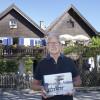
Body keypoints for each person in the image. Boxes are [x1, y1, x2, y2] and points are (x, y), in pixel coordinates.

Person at [33, 35, 81, 100]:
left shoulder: (69, 61)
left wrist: (70, 86)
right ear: (47, 46)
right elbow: (34, 85)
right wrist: (42, 88)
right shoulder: (41, 64)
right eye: (50, 43)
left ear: (60, 45)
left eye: (56, 43)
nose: (53, 45)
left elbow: (78, 81)